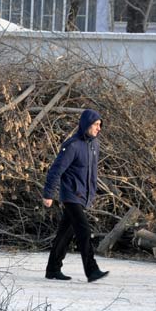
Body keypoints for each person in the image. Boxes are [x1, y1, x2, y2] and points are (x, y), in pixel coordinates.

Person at [41, 108, 109, 283]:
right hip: (71, 195)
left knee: (64, 234)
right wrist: (49, 194)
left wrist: (91, 193)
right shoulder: (72, 145)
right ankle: (91, 270)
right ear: (86, 124)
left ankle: (53, 269)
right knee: (84, 231)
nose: (98, 128)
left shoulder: (95, 145)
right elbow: (56, 170)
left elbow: (91, 173)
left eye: (100, 125)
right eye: (95, 125)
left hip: (83, 197)